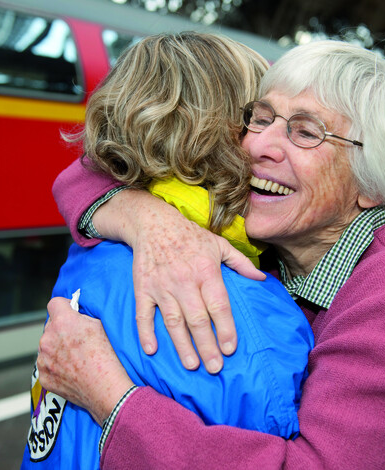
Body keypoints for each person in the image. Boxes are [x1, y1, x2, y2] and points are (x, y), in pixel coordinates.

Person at [39, 39, 385, 469]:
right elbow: (88, 170)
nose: (255, 146)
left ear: (372, 185)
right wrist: (145, 218)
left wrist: (111, 400)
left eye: (306, 132)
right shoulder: (277, 246)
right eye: (260, 118)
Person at [22, 32, 314, 470]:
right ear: (223, 134)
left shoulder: (91, 254)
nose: (270, 142)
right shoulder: (251, 319)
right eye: (259, 119)